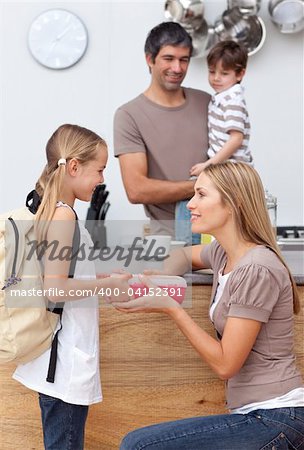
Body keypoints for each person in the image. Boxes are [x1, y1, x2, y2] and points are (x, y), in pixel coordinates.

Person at [113, 161, 304, 450]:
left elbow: (226, 364)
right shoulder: (224, 253)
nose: (190, 204)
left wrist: (172, 308)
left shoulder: (256, 269)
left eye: (201, 195)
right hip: (255, 415)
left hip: (276, 418)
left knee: (138, 446)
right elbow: (183, 255)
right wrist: (164, 278)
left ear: (234, 203)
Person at [12, 124, 131, 450]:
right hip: (63, 365)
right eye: (100, 169)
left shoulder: (55, 212)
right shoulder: (63, 217)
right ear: (74, 167)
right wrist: (106, 288)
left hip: (60, 361)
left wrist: (104, 281)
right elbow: (55, 288)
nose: (103, 179)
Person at [113, 21, 210, 238]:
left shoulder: (206, 102)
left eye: (183, 60)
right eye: (169, 58)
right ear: (150, 59)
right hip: (167, 240)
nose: (177, 68)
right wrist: (204, 185)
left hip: (217, 234)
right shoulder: (129, 115)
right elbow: (136, 189)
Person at [191, 40, 253, 176]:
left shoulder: (232, 101)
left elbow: (236, 139)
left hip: (233, 170)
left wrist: (209, 165)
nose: (216, 78)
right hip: (225, 167)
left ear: (240, 74)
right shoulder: (222, 98)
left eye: (224, 73)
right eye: (212, 72)